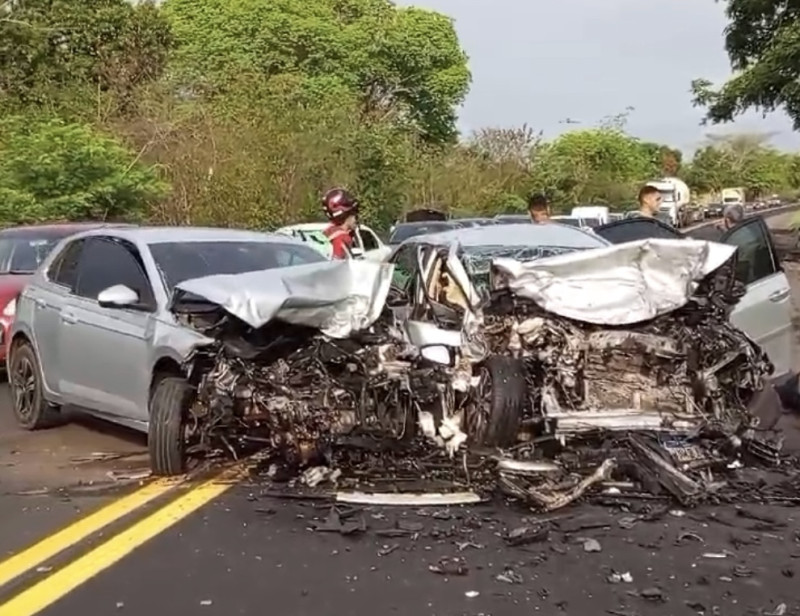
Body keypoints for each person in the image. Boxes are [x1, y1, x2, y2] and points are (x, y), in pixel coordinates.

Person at [321, 187, 359, 259]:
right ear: (345, 214)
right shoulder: (343, 237)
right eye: (353, 213)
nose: (356, 219)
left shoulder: (328, 231)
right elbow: (338, 265)